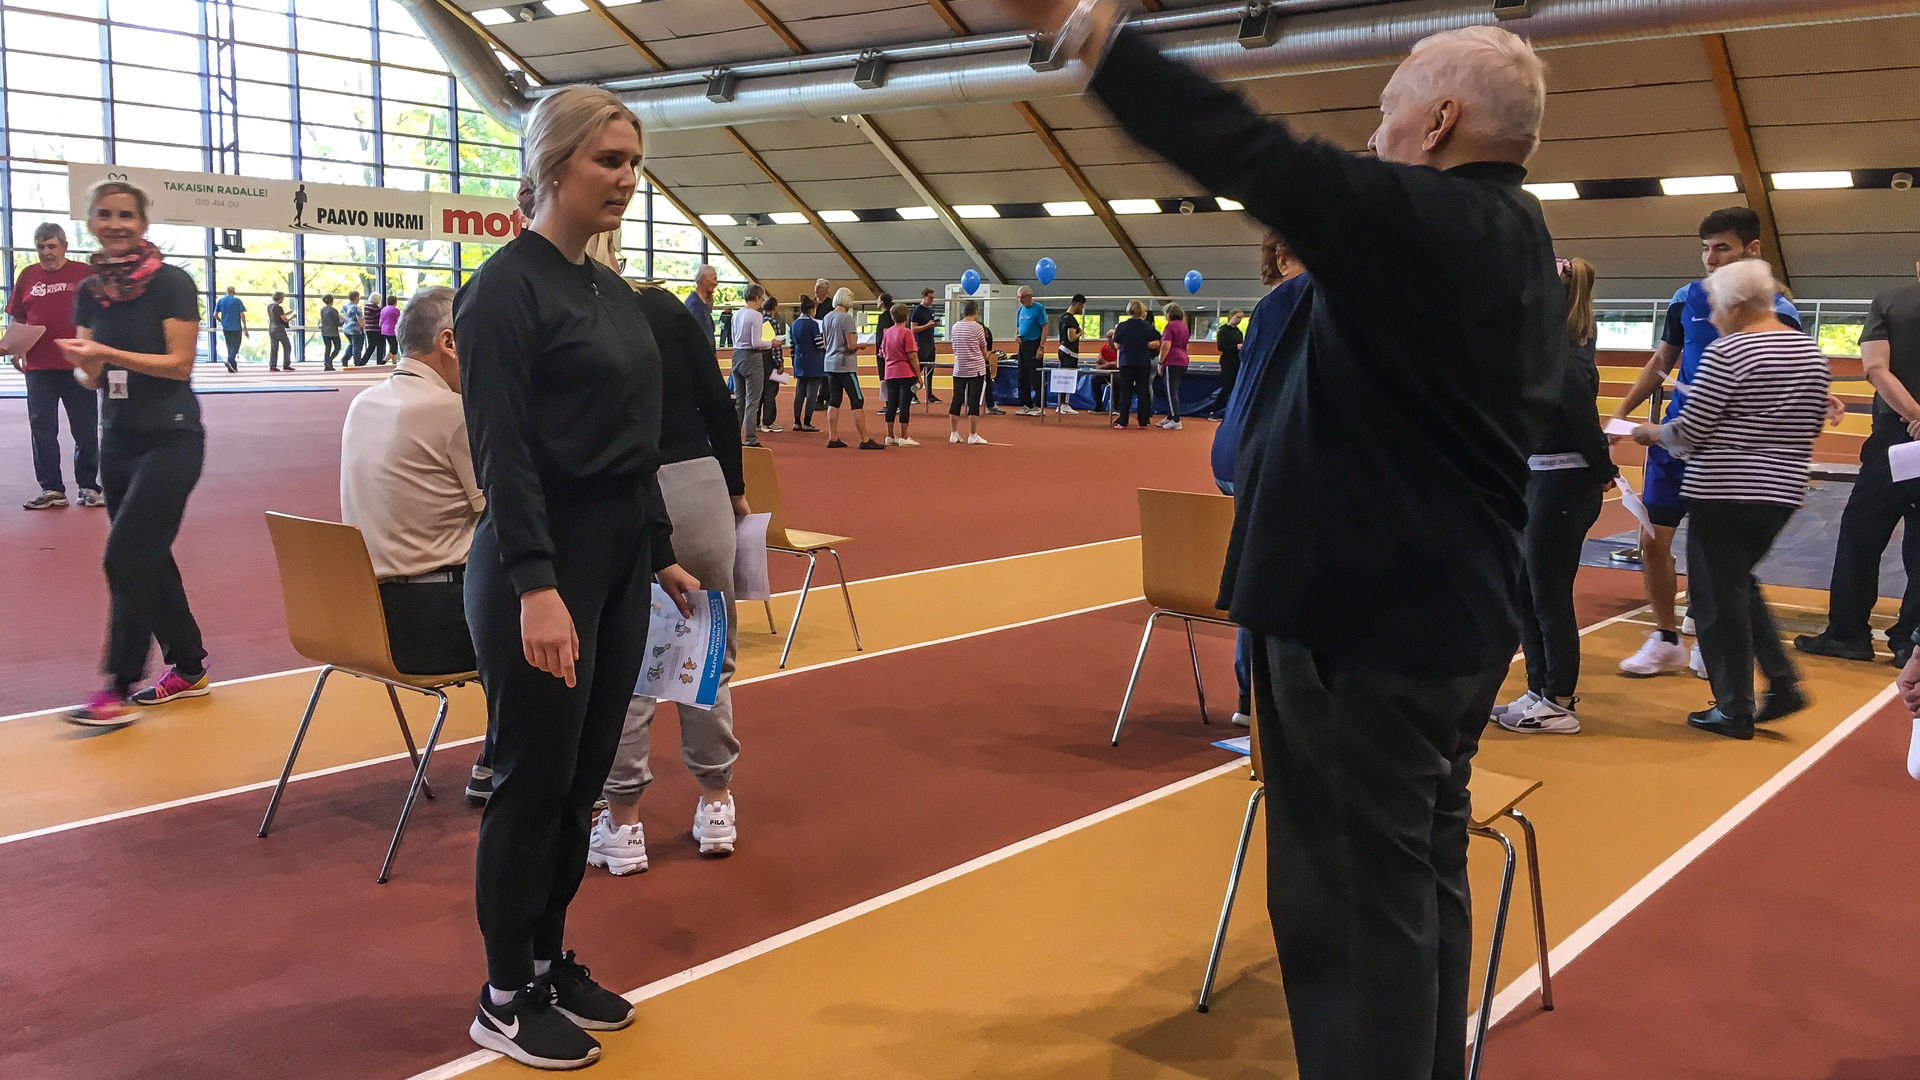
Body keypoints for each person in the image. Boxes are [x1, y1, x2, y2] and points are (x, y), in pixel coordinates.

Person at [1000, 4, 1563, 1076]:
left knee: (1349, 913)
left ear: (1440, 121)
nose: (1374, 132)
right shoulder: (1516, 237)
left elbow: (1252, 152)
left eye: (1388, 107)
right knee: (1413, 884)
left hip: (1364, 629)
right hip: (1446, 621)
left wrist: (1090, 33)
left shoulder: (1429, 222)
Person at [454, 85, 700, 1071]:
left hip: (615, 561)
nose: (628, 179)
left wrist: (660, 548)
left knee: (582, 780)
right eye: (609, 160)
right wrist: (535, 585)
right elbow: (503, 453)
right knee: (532, 780)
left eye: (635, 162)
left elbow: (633, 442)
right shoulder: (503, 290)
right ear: (554, 166)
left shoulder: (608, 290)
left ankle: (547, 962)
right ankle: (502, 995)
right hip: (541, 566)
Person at [1628, 258, 1830, 740]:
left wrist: (1651, 434)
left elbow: (1692, 430)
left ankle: (1733, 707)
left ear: (1738, 306)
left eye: (1717, 307)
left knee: (1715, 598)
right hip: (1780, 492)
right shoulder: (1809, 353)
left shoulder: (1730, 351)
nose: (1714, 317)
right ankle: (1781, 681)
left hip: (1723, 491)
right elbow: (1812, 423)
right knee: (1737, 584)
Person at [590, 280, 748, 875]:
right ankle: (716, 802)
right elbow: (719, 403)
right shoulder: (664, 307)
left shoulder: (581, 312)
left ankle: (623, 821)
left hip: (622, 485)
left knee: (624, 661)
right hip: (698, 484)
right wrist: (734, 487)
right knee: (708, 649)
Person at [1606, 207, 1801, 679]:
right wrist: (1622, 413)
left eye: (1722, 248)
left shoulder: (1780, 311)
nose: (1710, 259)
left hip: (1728, 454)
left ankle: (1709, 638)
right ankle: (1666, 639)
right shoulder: (1686, 299)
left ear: (1752, 249)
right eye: (1706, 248)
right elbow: (1662, 361)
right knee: (1653, 539)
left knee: (1714, 553)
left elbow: (1785, 379)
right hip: (1675, 444)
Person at [59, 180, 212, 727]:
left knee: (123, 557)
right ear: (91, 222)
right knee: (148, 555)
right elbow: (90, 375)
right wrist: (87, 365)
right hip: (118, 439)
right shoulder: (89, 291)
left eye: (126, 215)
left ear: (142, 223)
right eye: (105, 214)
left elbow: (179, 364)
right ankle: (189, 666)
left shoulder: (172, 283)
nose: (115, 224)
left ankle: (117, 686)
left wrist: (104, 351)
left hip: (172, 437)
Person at [1493, 258, 1614, 736]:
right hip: (1541, 480)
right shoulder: (1550, 352)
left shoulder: (1567, 356)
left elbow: (1581, 421)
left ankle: (1559, 698)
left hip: (1563, 484)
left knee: (1548, 594)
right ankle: (1539, 688)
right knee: (1527, 589)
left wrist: (1603, 469)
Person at [338, 285, 481, 677]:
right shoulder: (453, 412)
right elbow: (508, 512)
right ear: (449, 343)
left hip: (363, 622)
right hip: (439, 624)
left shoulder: (361, 404)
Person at [1797, 260, 1920, 668]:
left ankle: (1848, 633)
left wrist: (1914, 414)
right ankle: (1911, 643)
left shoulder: (1891, 302)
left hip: (1895, 439)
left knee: (1860, 535)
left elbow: (1875, 368)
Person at [1211, 231, 1310, 728]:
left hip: (1239, 452)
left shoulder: (1268, 308)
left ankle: (1250, 697)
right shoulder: (1302, 302)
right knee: (1280, 576)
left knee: (1260, 570)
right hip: (1268, 455)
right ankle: (1273, 702)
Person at [6, 222, 101, 510]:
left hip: (77, 364)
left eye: (51, 246)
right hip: (38, 367)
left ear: (64, 246)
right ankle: (51, 489)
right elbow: (18, 316)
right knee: (42, 429)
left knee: (85, 428)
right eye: (40, 247)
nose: (46, 252)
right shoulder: (28, 275)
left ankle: (88, 486)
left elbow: (101, 312)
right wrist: (15, 346)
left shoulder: (84, 274)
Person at [821, 287, 883, 450]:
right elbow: (850, 345)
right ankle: (865, 439)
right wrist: (860, 346)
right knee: (857, 399)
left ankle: (833, 436)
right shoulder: (846, 318)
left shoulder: (827, 317)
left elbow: (825, 343)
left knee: (834, 399)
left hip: (830, 363)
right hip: (845, 365)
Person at [1108, 300, 1160, 429]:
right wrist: (1145, 345)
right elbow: (1157, 342)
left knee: (1125, 391)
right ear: (1142, 311)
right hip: (1142, 361)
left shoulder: (1122, 326)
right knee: (1143, 391)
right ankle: (1143, 421)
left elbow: (1117, 345)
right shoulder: (1147, 326)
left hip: (1126, 361)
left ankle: (1122, 420)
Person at [947, 299, 993, 445]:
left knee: (956, 399)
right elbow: (984, 349)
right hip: (975, 369)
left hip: (959, 368)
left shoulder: (955, 326)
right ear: (976, 311)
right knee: (973, 402)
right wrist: (985, 357)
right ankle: (973, 434)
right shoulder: (978, 327)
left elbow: (954, 346)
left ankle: (953, 433)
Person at [731, 284, 770, 448]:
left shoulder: (736, 314)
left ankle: (733, 436)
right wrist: (771, 343)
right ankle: (750, 438)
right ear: (757, 297)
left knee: (739, 401)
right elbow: (756, 342)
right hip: (752, 357)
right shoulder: (756, 315)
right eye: (761, 298)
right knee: (752, 401)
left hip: (737, 355)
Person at [880, 302, 921, 447]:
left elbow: (883, 352)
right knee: (904, 404)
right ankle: (904, 436)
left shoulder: (887, 332)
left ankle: (890, 435)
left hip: (890, 372)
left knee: (891, 403)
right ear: (907, 316)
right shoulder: (907, 333)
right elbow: (912, 356)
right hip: (905, 372)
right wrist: (918, 375)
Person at [789, 295, 827, 432]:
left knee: (799, 393)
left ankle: (796, 421)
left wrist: (794, 362)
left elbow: (792, 346)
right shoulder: (813, 324)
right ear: (811, 310)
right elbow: (819, 344)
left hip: (799, 361)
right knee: (812, 393)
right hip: (814, 361)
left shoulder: (794, 324)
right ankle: (807, 421)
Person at [1204, 309, 1244, 419]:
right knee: (1226, 386)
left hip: (1237, 361)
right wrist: (1235, 347)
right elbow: (1221, 347)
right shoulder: (1223, 331)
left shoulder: (1239, 332)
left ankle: (1229, 411)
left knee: (1233, 387)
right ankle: (1214, 411)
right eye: (1237, 317)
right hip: (1227, 361)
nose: (1239, 320)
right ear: (1231, 316)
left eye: (1241, 318)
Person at [1014, 286, 1048, 415]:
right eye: (1019, 298)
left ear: (1029, 296)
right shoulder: (1020, 310)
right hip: (1023, 345)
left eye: (1022, 297)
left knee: (1035, 376)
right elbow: (1018, 328)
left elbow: (1045, 328)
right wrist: (1016, 336)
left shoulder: (1038, 308)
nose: (1020, 300)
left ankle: (1038, 405)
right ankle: (1025, 404)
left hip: (1035, 344)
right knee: (1022, 375)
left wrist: (1041, 347)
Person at [1157, 301, 1190, 429]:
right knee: (1172, 390)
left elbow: (1166, 346)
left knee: (1171, 392)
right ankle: (1170, 416)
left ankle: (1176, 420)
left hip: (1172, 360)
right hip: (1183, 359)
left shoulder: (1170, 327)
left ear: (1169, 314)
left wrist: (1160, 362)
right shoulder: (1184, 326)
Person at [1054, 293, 1086, 416]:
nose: (1081, 309)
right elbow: (1071, 337)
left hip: (1063, 350)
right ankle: (1064, 404)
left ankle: (1061, 404)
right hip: (1069, 353)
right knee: (1068, 378)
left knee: (1063, 377)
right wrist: (1080, 333)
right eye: (1081, 306)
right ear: (1077, 304)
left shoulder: (1062, 317)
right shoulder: (1071, 320)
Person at [758, 298, 785, 435]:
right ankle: (767, 421)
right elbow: (774, 344)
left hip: (759, 358)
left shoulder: (759, 320)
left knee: (759, 390)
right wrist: (779, 363)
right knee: (770, 390)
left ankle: (756, 421)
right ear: (774, 307)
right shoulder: (772, 322)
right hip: (769, 359)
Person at [911, 287, 941, 404]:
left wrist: (932, 325)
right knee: (918, 369)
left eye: (933, 298)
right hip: (921, 344)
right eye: (930, 298)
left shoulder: (929, 310)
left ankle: (929, 394)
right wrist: (927, 326)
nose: (932, 300)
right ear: (924, 297)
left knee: (930, 370)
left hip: (930, 343)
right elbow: (913, 329)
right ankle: (912, 394)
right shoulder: (917, 311)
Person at [213, 286, 247, 372]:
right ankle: (230, 360)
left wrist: (222, 321)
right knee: (236, 345)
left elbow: (215, 315)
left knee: (229, 346)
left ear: (226, 292)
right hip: (236, 327)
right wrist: (244, 326)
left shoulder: (221, 301)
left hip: (226, 327)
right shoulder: (237, 301)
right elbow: (242, 315)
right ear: (234, 292)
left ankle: (233, 366)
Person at [685, 264, 718, 341]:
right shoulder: (694, 305)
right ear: (703, 279)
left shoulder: (701, 304)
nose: (716, 283)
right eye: (714, 279)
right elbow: (698, 338)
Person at [266, 290, 295, 372]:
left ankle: (272, 365)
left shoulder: (270, 306)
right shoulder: (279, 307)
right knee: (287, 346)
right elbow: (285, 320)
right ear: (280, 298)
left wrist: (287, 313)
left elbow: (277, 316)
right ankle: (286, 364)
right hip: (279, 329)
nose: (283, 299)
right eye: (283, 297)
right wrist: (292, 316)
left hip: (271, 328)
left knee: (274, 348)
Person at [358, 293, 386, 365]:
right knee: (380, 345)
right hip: (376, 329)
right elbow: (381, 316)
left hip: (368, 329)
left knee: (371, 346)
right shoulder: (376, 309)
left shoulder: (366, 307)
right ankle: (379, 361)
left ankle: (362, 362)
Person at [318, 293, 343, 371]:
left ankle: (327, 364)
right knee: (337, 347)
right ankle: (329, 361)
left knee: (327, 348)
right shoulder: (333, 310)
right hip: (333, 331)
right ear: (332, 301)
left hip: (324, 331)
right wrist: (343, 321)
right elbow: (337, 323)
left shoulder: (322, 310)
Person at [342, 290, 366, 366]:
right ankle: (357, 361)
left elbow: (342, 317)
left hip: (346, 329)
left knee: (352, 344)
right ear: (356, 297)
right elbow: (360, 320)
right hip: (356, 330)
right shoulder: (356, 308)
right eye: (358, 297)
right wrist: (364, 328)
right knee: (357, 346)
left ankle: (345, 358)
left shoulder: (345, 306)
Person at [380, 296, 401, 360]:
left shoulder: (383, 309)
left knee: (393, 346)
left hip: (384, 330)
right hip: (392, 331)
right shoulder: (396, 310)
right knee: (393, 349)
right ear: (395, 302)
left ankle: (394, 362)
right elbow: (399, 321)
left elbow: (380, 321)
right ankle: (383, 362)